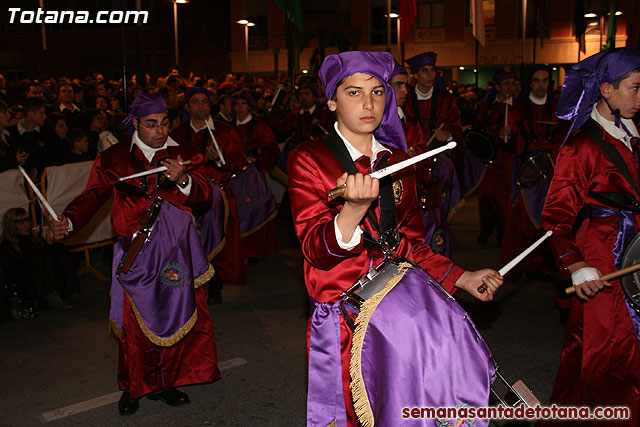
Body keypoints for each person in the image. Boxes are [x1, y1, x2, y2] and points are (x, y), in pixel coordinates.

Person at [287, 50, 503, 427]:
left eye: (377, 92)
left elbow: (408, 243)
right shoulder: (309, 159)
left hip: (402, 299)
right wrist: (352, 210)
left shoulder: (397, 160)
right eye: (353, 93)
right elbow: (314, 252)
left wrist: (462, 278)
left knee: (442, 360)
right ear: (332, 100)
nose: (368, 103)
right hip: (345, 310)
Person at [50, 93, 220, 416]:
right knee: (134, 325)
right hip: (135, 252)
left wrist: (183, 178)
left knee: (173, 318)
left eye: (165, 123)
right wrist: (69, 220)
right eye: (151, 124)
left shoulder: (183, 153)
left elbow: (205, 194)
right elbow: (92, 197)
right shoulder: (114, 159)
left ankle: (166, 383)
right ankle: (133, 387)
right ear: (135, 124)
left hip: (174, 253)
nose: (160, 131)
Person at [540, 48, 640, 427]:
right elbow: (554, 218)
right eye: (635, 88)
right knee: (600, 357)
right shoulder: (581, 146)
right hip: (601, 258)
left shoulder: (635, 136)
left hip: (636, 253)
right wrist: (575, 264)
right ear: (607, 90)